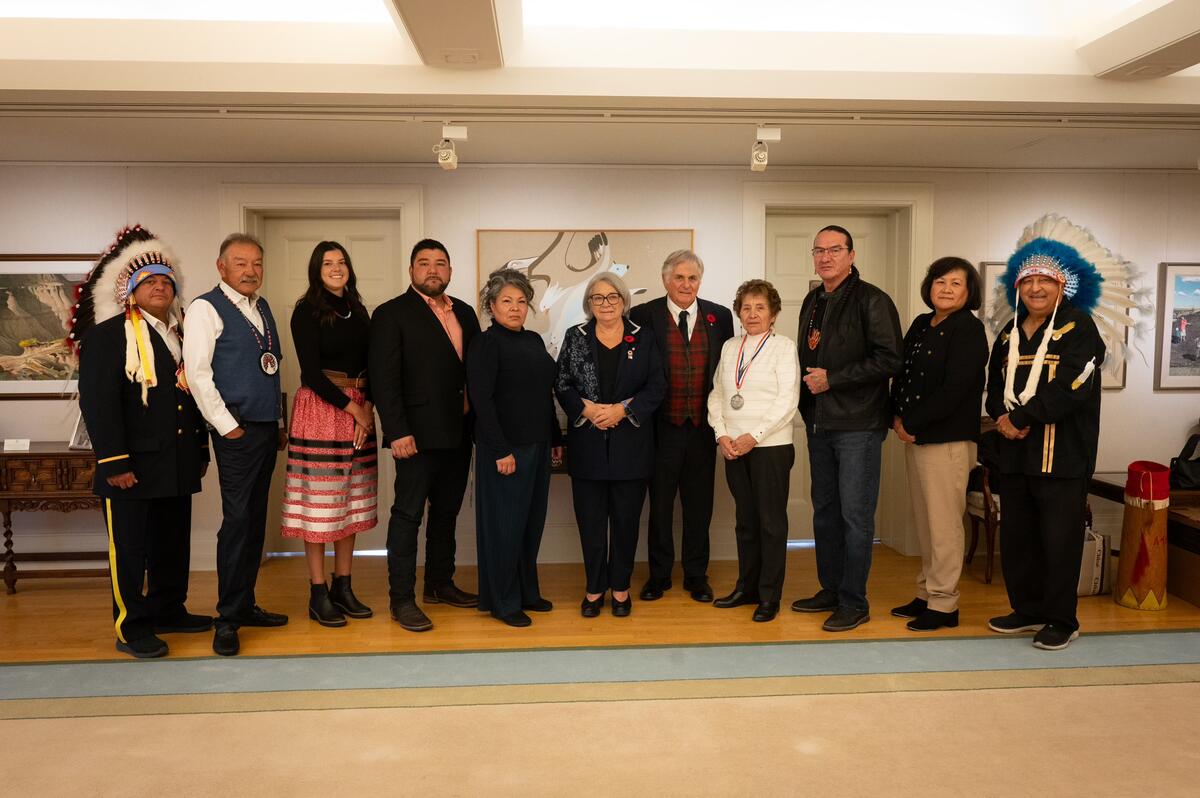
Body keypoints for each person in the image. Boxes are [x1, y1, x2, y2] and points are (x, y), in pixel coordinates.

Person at [73, 226, 212, 658]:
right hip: (131, 465)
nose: (159, 287)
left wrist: (199, 452)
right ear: (132, 291)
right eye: (150, 282)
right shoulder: (108, 335)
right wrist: (114, 463)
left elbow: (193, 397)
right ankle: (131, 627)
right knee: (130, 549)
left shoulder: (184, 333)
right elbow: (99, 402)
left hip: (175, 461)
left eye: (166, 282)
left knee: (172, 542)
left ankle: (169, 609)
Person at [983, 215, 1114, 651]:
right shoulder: (1008, 333)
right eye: (1027, 282)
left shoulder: (1079, 328)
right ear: (1017, 289)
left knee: (1059, 541)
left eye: (1045, 281)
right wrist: (1002, 417)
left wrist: (1022, 419)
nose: (1035, 289)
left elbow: (1073, 386)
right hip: (1014, 456)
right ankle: (1027, 609)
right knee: (1018, 537)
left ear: (1062, 287)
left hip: (1063, 458)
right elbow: (994, 386)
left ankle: (1062, 618)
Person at [790, 224, 903, 632]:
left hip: (858, 424)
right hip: (819, 423)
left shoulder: (873, 300)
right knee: (825, 513)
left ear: (851, 255)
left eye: (834, 250)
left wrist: (833, 378)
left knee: (856, 517)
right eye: (818, 250)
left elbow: (891, 360)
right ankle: (831, 589)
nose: (825, 257)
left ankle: (855, 601)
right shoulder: (812, 300)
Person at [183, 232, 289, 657]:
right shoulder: (205, 308)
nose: (251, 271)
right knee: (237, 522)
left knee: (255, 521)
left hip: (265, 428)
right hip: (237, 430)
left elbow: (271, 369)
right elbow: (196, 373)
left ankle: (245, 604)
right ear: (221, 266)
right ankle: (226, 619)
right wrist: (227, 427)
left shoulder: (261, 308)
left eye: (257, 263)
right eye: (241, 263)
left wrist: (278, 422)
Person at [369, 239, 481, 632]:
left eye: (441, 263)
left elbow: (475, 373)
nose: (433, 270)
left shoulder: (466, 312)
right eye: (424, 263)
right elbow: (384, 381)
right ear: (412, 270)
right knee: (407, 516)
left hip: (459, 432)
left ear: (450, 271)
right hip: (414, 436)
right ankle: (402, 599)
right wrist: (397, 431)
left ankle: (439, 583)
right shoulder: (390, 314)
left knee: (447, 513)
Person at [555, 271, 665, 618]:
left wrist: (622, 410)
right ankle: (594, 589)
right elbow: (562, 382)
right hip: (587, 444)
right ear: (589, 303)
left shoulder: (643, 338)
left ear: (623, 300)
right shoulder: (576, 337)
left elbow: (656, 386)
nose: (605, 304)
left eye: (612, 297)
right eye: (598, 298)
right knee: (590, 523)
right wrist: (586, 409)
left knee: (625, 522)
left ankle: (620, 588)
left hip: (631, 447)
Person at [889, 257, 989, 632]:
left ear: (969, 292)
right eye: (940, 281)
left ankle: (945, 603)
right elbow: (902, 374)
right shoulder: (920, 323)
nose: (946, 289)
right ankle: (926, 592)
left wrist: (911, 422)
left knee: (945, 525)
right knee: (926, 523)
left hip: (946, 441)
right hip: (914, 437)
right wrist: (896, 417)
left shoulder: (968, 329)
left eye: (956, 283)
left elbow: (956, 388)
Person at [281, 241, 376, 628]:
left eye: (341, 262)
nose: (336, 268)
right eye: (328, 263)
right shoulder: (307, 310)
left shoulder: (360, 310)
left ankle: (343, 585)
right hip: (322, 409)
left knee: (351, 502)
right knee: (321, 507)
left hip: (360, 410)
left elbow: (372, 363)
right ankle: (318, 591)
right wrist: (352, 408)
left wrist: (366, 407)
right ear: (316, 270)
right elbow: (311, 374)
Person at [630, 250, 734, 603]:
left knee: (699, 506)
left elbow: (725, 375)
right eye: (679, 277)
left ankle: (696, 575)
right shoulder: (643, 315)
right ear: (665, 280)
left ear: (699, 281)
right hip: (660, 429)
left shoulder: (719, 317)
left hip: (703, 431)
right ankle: (658, 576)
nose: (686, 284)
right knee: (659, 507)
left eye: (692, 278)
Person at [467, 268, 563, 627]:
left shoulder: (534, 342)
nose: (515, 307)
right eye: (507, 301)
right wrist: (499, 450)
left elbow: (544, 395)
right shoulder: (486, 343)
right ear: (491, 305)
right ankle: (502, 601)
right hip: (505, 449)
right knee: (505, 527)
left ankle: (526, 591)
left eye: (522, 301)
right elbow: (482, 401)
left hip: (537, 444)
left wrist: (554, 438)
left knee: (530, 523)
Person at [708, 280, 800, 622]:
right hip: (734, 448)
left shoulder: (783, 347)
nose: (752, 314)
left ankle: (769, 596)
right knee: (745, 522)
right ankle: (746, 588)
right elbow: (718, 394)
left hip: (770, 448)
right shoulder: (730, 347)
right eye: (746, 307)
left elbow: (787, 401)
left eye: (760, 307)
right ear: (738, 312)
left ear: (773, 312)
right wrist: (721, 435)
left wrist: (753, 436)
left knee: (771, 523)